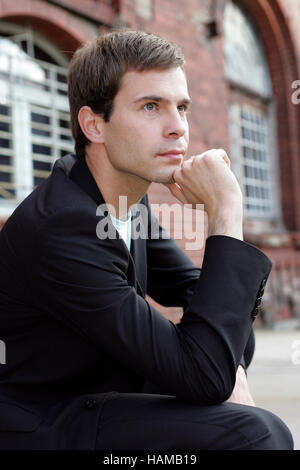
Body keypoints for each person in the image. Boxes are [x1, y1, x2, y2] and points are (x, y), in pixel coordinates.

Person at [0, 30, 293, 450]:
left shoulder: (123, 203)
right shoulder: (64, 226)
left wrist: (230, 374)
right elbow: (205, 368)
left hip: (102, 391)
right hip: (44, 422)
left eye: (183, 107)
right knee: (256, 434)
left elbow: (210, 307)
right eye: (151, 107)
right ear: (94, 125)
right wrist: (225, 211)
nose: (178, 128)